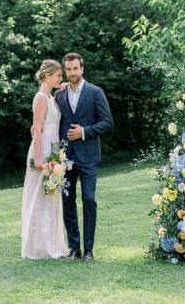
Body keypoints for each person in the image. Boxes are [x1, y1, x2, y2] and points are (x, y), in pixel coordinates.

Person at [55, 52, 114, 261]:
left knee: (89, 199)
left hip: (88, 156)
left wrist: (83, 132)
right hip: (66, 158)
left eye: (75, 69)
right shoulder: (59, 95)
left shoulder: (95, 92)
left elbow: (107, 122)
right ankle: (74, 248)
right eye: (68, 69)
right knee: (67, 202)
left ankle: (88, 249)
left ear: (82, 69)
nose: (72, 73)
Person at [21, 60, 69, 259]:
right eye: (58, 75)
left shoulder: (51, 97)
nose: (61, 79)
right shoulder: (40, 98)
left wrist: (63, 87)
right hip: (42, 152)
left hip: (54, 151)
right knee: (40, 197)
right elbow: (37, 129)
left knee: (51, 197)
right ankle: (40, 247)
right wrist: (39, 160)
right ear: (48, 75)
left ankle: (52, 244)